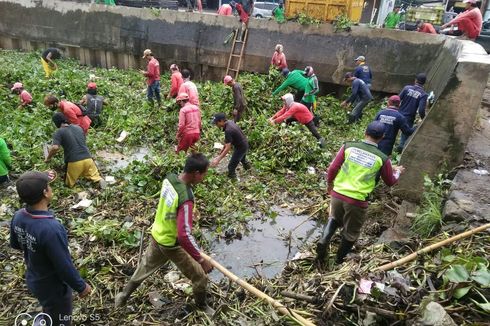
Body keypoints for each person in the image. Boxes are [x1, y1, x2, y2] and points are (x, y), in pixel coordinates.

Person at [115, 153, 214, 315]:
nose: (203, 177)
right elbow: (184, 235)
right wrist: (201, 259)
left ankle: (123, 296)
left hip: (157, 234)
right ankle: (202, 306)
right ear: (196, 173)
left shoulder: (170, 179)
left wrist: (187, 214)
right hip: (172, 243)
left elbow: (169, 206)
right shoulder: (186, 198)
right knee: (200, 277)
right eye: (204, 174)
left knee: (144, 267)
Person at [316, 121, 404, 266]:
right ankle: (338, 262)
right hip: (357, 201)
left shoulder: (348, 146)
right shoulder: (382, 158)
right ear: (382, 137)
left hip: (338, 194)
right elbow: (390, 181)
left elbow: (332, 168)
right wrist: (398, 172)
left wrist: (330, 185)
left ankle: (323, 241)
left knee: (334, 218)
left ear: (365, 133)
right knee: (351, 232)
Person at [10, 171, 92, 326]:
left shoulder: (19, 215)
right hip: (54, 287)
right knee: (60, 318)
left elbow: (16, 245)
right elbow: (63, 266)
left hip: (34, 278)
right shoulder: (51, 228)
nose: (51, 189)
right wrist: (81, 287)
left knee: (49, 308)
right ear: (45, 193)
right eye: (49, 186)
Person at [45, 113, 103, 188]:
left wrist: (48, 158)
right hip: (88, 159)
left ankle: (74, 185)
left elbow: (55, 148)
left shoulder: (59, 132)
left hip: (74, 162)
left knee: (68, 185)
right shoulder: (78, 128)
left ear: (56, 123)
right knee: (94, 176)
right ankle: (98, 180)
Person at [210, 113, 251, 180]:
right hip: (244, 144)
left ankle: (234, 181)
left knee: (231, 166)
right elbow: (228, 142)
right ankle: (249, 170)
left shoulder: (228, 130)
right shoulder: (230, 122)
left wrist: (218, 159)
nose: (216, 125)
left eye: (216, 123)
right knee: (243, 159)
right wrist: (223, 149)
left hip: (240, 148)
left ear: (221, 121)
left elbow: (228, 148)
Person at [396, 73, 428, 152]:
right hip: (409, 117)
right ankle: (400, 148)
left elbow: (398, 99)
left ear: (416, 80)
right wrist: (424, 118)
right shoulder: (423, 94)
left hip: (399, 114)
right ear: (424, 83)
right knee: (405, 134)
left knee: (393, 131)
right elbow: (421, 110)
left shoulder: (406, 88)